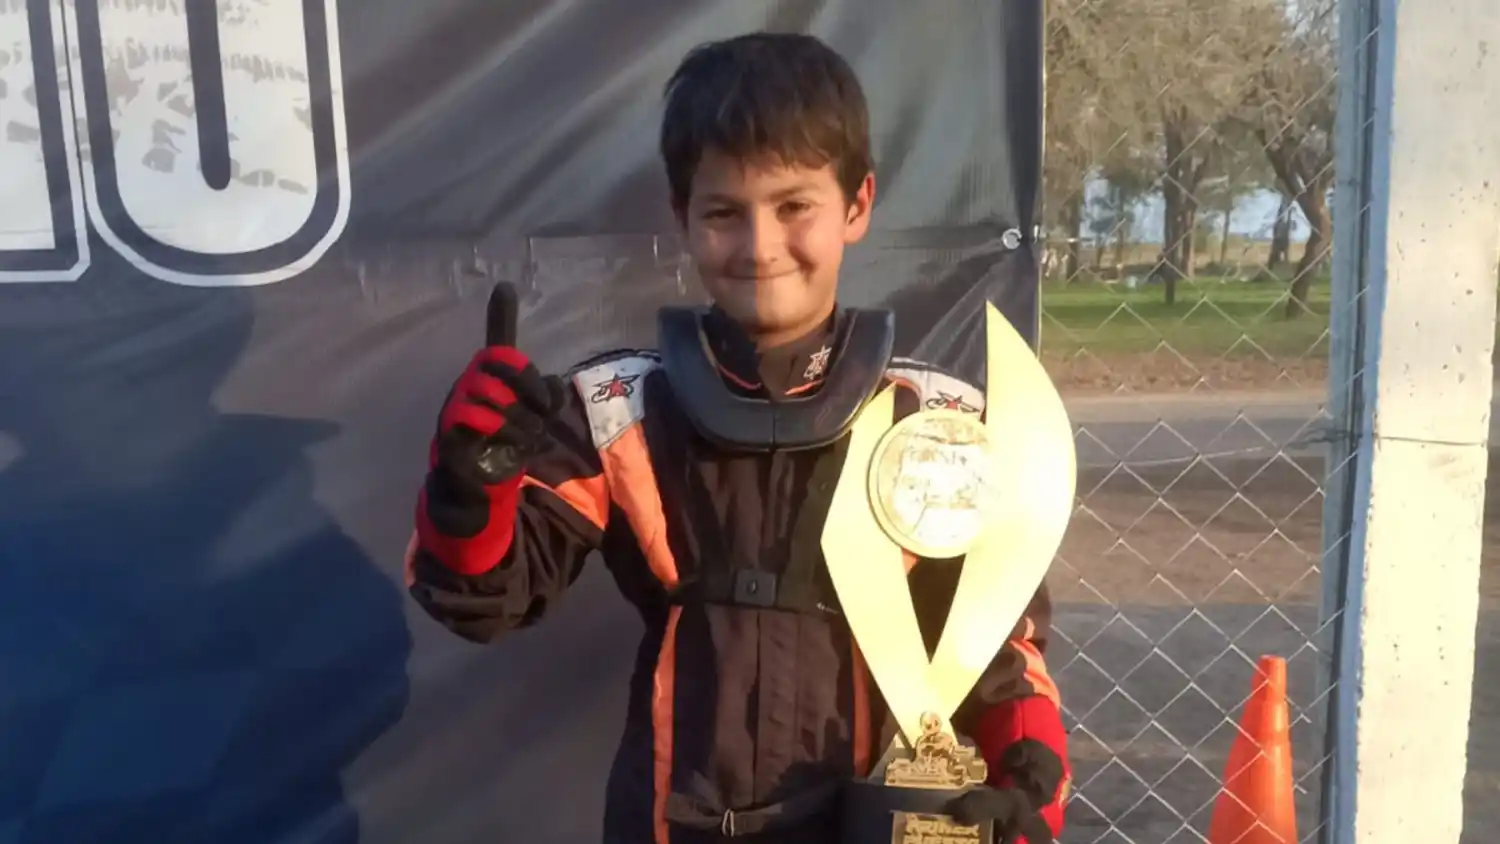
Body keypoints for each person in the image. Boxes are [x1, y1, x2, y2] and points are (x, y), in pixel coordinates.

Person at [405, 31, 1070, 844]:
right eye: (725, 213)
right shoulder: (618, 411)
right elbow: (484, 601)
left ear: (856, 205)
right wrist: (469, 487)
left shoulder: (934, 426)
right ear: (683, 216)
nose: (760, 248)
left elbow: (998, 647)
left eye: (795, 207)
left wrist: (1030, 790)